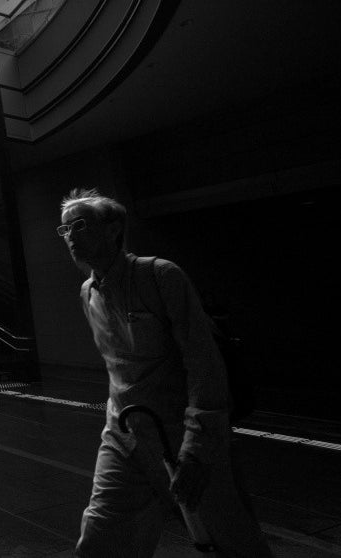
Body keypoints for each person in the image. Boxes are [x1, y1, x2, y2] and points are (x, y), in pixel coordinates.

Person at [59, 187, 271, 557]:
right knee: (101, 537)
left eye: (80, 225)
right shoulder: (87, 292)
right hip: (123, 433)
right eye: (65, 230)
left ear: (113, 229)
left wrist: (199, 446)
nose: (72, 236)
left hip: (182, 435)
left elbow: (203, 362)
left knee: (231, 537)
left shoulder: (159, 276)